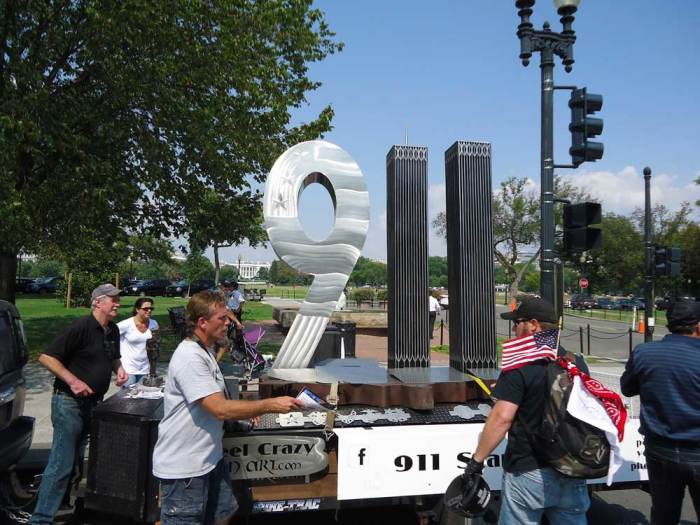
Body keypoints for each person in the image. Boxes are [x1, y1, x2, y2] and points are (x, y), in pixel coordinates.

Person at [152, 290, 303, 525]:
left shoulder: (206, 350)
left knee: (224, 511)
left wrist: (240, 417)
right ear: (202, 323)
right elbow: (218, 408)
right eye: (222, 318)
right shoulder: (190, 358)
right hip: (186, 469)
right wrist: (269, 405)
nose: (228, 323)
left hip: (209, 459)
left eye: (228, 317)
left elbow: (212, 406)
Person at [467, 297, 590, 525]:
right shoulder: (576, 362)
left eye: (517, 322)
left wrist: (476, 461)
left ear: (533, 324)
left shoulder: (520, 365)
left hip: (529, 469)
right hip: (571, 467)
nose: (514, 328)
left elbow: (502, 419)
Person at [30, 284, 127, 525]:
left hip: (94, 404)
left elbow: (113, 356)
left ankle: (66, 506)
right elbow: (46, 357)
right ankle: (40, 519)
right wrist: (73, 381)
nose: (117, 304)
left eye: (118, 300)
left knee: (75, 462)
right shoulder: (81, 327)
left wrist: (120, 369)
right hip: (69, 404)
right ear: (97, 302)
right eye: (112, 300)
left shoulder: (112, 330)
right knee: (61, 464)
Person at [620, 299, 700, 525]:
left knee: (664, 514)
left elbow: (628, 388)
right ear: (698, 326)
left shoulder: (645, 353)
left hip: (660, 450)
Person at [117, 297, 159, 387]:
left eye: (151, 308)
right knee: (127, 398)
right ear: (137, 309)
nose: (149, 311)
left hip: (145, 369)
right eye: (145, 309)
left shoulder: (154, 324)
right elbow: (109, 336)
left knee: (144, 398)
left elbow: (155, 345)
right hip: (128, 369)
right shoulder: (126, 325)